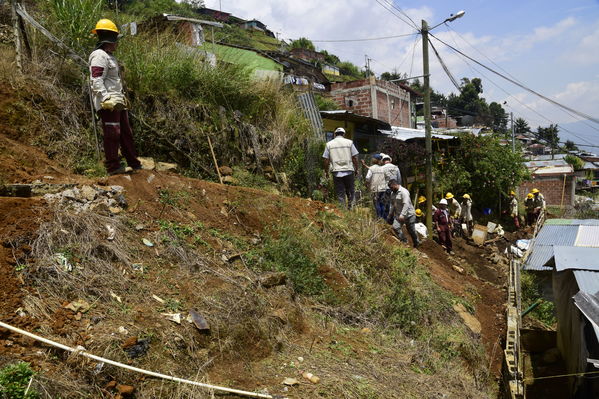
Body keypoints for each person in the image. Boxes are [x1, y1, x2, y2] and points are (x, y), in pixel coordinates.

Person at [89, 19, 142, 175]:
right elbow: (96, 79)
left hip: (118, 100)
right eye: (115, 40)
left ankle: (134, 162)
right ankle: (113, 167)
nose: (116, 44)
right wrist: (106, 98)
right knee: (113, 133)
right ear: (109, 39)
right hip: (109, 101)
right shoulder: (99, 56)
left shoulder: (109, 56)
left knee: (126, 132)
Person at [322, 127, 359, 209]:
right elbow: (354, 157)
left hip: (336, 171)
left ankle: (343, 210)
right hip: (349, 170)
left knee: (340, 192)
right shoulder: (349, 142)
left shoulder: (329, 144)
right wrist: (357, 169)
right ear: (344, 134)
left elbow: (326, 160)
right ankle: (351, 209)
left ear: (335, 134)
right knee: (350, 191)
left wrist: (326, 171)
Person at [387, 179, 420, 248]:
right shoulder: (392, 194)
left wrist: (403, 214)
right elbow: (392, 205)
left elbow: (406, 204)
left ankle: (417, 243)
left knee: (411, 230)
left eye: (391, 187)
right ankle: (404, 241)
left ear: (395, 184)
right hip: (399, 215)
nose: (391, 189)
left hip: (409, 215)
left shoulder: (404, 192)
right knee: (395, 227)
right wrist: (390, 215)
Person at [364, 154, 387, 218]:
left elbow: (367, 178)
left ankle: (379, 218)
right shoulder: (382, 169)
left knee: (377, 203)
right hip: (383, 188)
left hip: (376, 189)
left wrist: (366, 184)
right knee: (382, 203)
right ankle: (383, 218)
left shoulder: (371, 168)